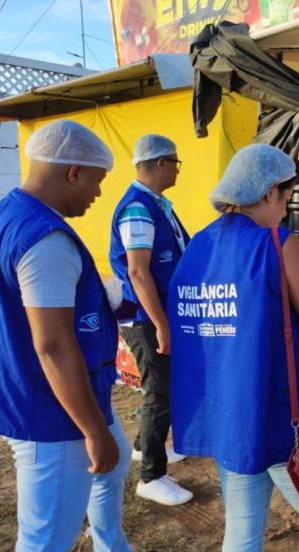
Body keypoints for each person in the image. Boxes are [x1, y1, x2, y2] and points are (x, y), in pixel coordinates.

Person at [0, 120, 161, 552]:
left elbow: (27, 304)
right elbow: (54, 345)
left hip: (37, 389)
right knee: (44, 544)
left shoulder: (2, 214)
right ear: (74, 172)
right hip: (50, 410)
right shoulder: (47, 239)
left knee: (108, 473)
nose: (97, 195)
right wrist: (92, 431)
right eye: (96, 182)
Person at [167, 144, 299, 552]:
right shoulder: (278, 243)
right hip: (277, 414)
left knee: (243, 527)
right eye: (285, 200)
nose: (285, 211)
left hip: (228, 413)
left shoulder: (197, 247)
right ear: (269, 191)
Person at [109, 134, 193, 506]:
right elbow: (139, 274)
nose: (177, 170)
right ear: (161, 163)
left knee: (164, 386)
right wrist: (161, 324)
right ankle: (151, 476)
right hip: (145, 314)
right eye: (175, 163)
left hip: (155, 310)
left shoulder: (156, 205)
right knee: (158, 392)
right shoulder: (138, 209)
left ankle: (146, 446)